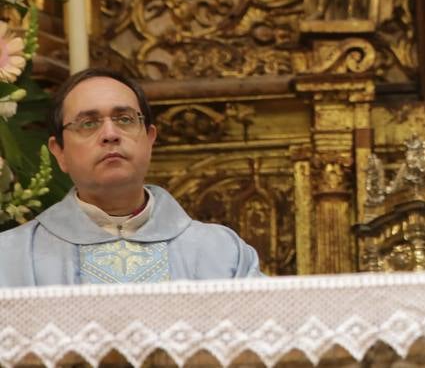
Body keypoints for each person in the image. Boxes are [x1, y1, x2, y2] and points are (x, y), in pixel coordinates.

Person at [0, 69, 263, 285]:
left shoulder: (222, 254)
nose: (110, 134)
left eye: (124, 119)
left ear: (149, 140)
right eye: (88, 123)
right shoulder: (11, 258)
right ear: (60, 153)